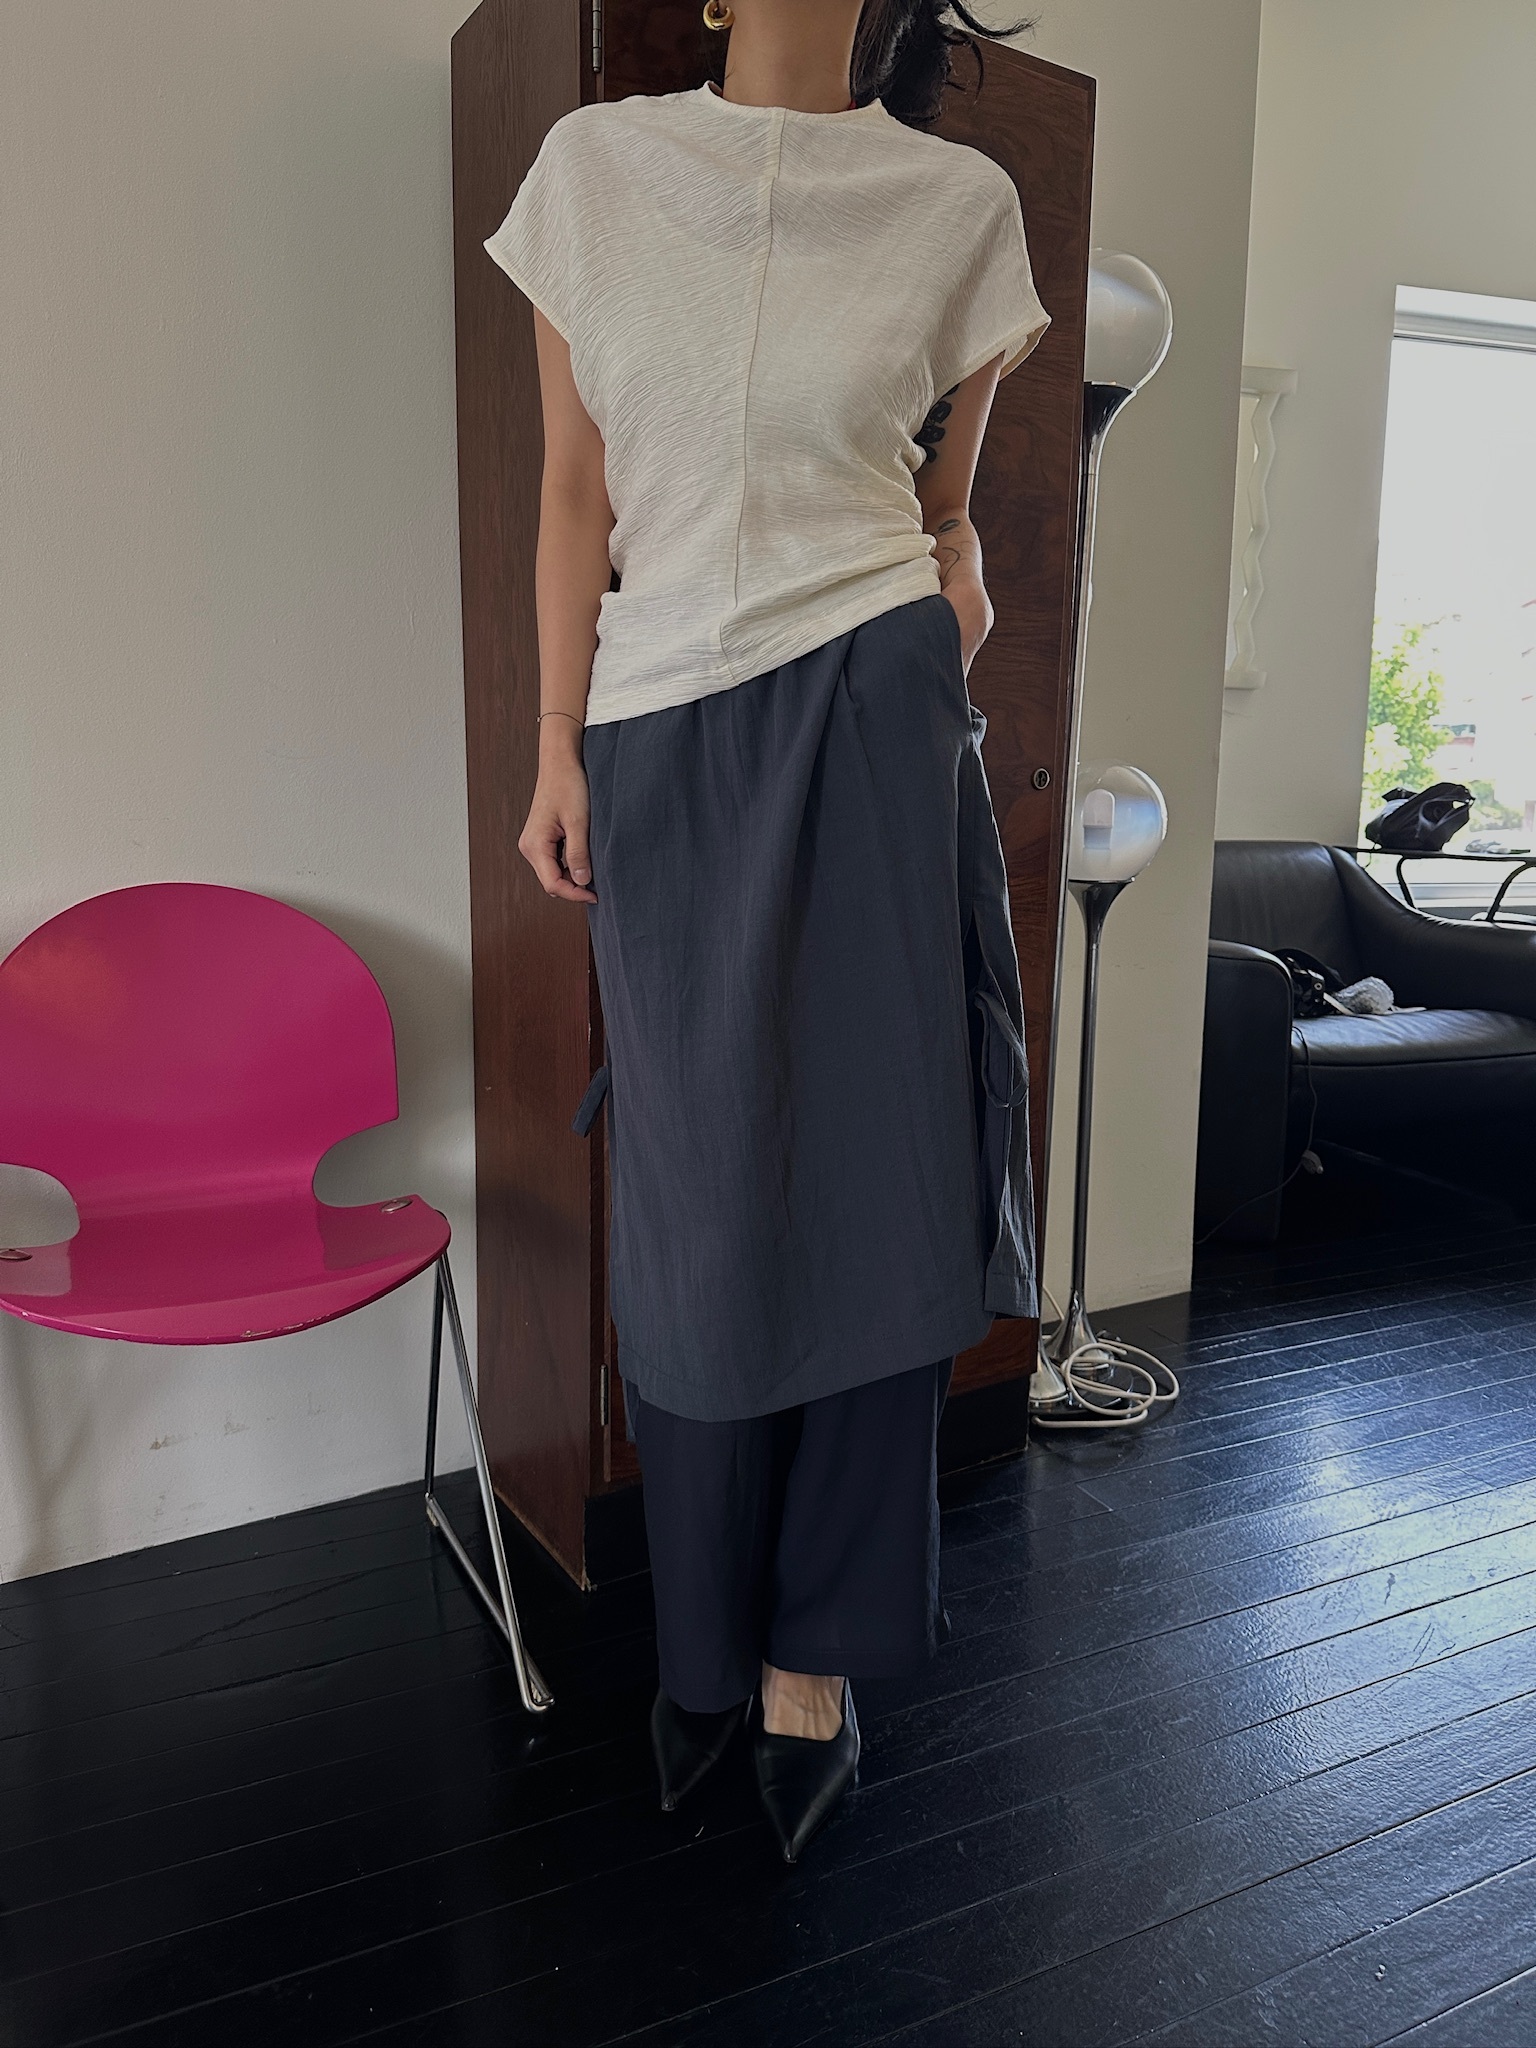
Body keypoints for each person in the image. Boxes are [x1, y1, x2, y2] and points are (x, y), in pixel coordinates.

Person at [485, 0, 1048, 1862]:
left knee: (885, 1184)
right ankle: (704, 1646)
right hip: (662, 721)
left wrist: (950, 633)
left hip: (877, 706)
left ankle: (818, 1656)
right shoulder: (596, 170)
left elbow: (947, 512)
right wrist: (556, 744)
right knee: (702, 1213)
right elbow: (577, 490)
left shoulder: (958, 205)